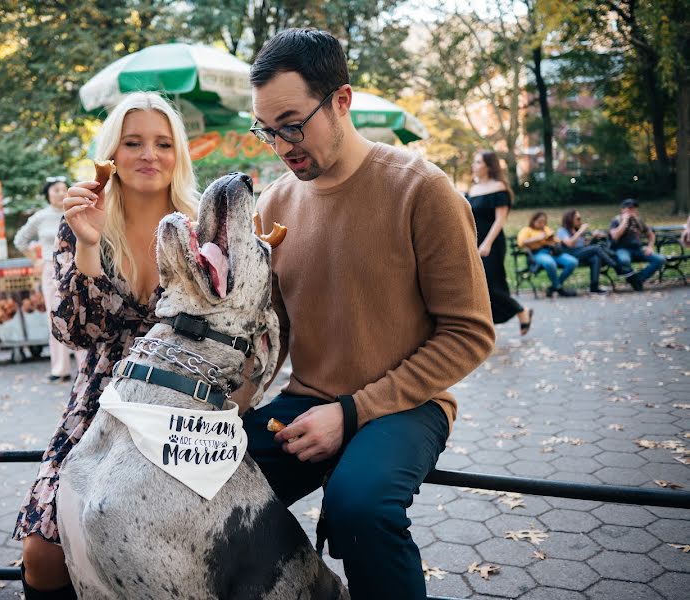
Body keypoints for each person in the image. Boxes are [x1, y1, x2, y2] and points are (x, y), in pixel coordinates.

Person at [246, 29, 496, 599]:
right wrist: (228, 406)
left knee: (358, 507)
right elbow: (271, 331)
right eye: (266, 130)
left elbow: (470, 334)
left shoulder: (423, 190)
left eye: (291, 123)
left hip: (409, 405)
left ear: (341, 100)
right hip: (305, 402)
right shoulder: (273, 205)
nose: (281, 145)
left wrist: (352, 414)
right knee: (205, 482)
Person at [12, 92, 199, 599]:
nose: (148, 155)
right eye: (133, 142)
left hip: (178, 404)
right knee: (43, 553)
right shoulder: (80, 221)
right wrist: (90, 245)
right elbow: (75, 332)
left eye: (163, 143)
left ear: (178, 154)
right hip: (100, 399)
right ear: (111, 153)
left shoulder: (200, 229)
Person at [13, 177, 88, 382]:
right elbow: (20, 240)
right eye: (56, 190)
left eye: (64, 189)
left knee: (80, 314)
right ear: (47, 193)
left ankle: (85, 366)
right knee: (55, 316)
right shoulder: (40, 217)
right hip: (50, 270)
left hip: (76, 268)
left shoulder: (77, 211)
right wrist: (35, 260)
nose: (60, 193)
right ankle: (59, 368)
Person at [467, 150, 534, 333]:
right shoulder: (472, 190)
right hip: (475, 242)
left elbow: (500, 220)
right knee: (479, 286)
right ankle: (489, 324)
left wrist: (487, 243)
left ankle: (521, 311)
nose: (474, 165)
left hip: (492, 243)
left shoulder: (499, 187)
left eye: (478, 162)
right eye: (475, 162)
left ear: (489, 166)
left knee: (491, 283)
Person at [557, 208, 637, 294]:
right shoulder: (562, 230)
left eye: (580, 219)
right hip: (569, 255)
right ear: (570, 219)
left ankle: (594, 287)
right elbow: (569, 244)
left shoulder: (576, 230)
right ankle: (617, 268)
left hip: (580, 254)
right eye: (578, 219)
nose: (580, 221)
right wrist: (580, 231)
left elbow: (584, 247)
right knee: (596, 248)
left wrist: (594, 238)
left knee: (595, 257)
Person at [516, 211, 579, 297]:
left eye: (544, 222)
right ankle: (559, 288)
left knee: (573, 262)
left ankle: (554, 286)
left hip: (552, 252)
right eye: (539, 222)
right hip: (537, 253)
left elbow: (557, 240)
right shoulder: (526, 230)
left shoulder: (546, 229)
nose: (542, 224)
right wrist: (537, 238)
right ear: (533, 221)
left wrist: (552, 240)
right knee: (550, 263)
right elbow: (521, 242)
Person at [609, 198, 665, 291]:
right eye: (629, 208)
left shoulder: (638, 221)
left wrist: (650, 247)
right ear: (623, 209)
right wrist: (624, 221)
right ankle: (635, 281)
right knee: (624, 260)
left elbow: (651, 235)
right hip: (622, 249)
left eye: (634, 208)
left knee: (660, 260)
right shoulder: (616, 220)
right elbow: (615, 236)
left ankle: (638, 279)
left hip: (638, 249)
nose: (632, 211)